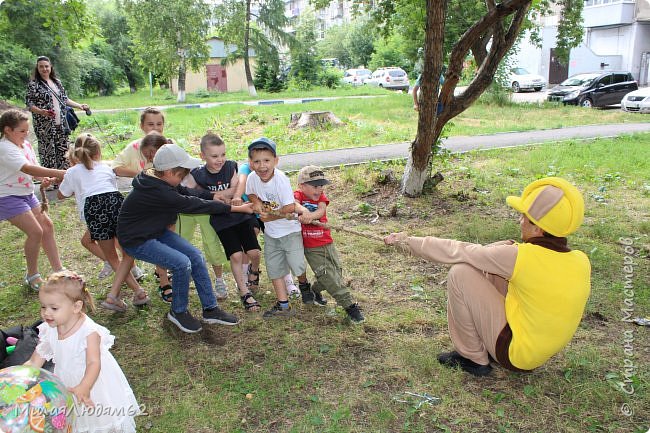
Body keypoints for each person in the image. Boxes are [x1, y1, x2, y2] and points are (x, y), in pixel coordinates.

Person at [384, 177, 591, 376]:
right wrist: (503, 247)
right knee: (496, 255)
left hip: (514, 354)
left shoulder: (520, 257)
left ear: (538, 228)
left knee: (460, 273)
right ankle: (486, 346)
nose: (519, 221)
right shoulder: (580, 260)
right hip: (536, 354)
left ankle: (473, 358)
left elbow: (459, 251)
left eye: (524, 217)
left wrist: (408, 242)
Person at [116, 143, 254, 333]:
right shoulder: (159, 191)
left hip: (155, 230)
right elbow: (191, 204)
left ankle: (210, 309)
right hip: (136, 240)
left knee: (196, 257)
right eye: (181, 175)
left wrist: (212, 195)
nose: (183, 179)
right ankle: (178, 312)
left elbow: (188, 193)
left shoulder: (159, 179)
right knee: (181, 263)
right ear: (170, 172)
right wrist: (234, 208)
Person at [26, 270, 140, 432]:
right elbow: (35, 361)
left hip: (92, 385)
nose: (46, 313)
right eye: (43, 306)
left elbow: (94, 363)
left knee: (99, 421)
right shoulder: (49, 329)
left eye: (54, 308)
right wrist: (18, 376)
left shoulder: (89, 332)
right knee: (76, 421)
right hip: (68, 384)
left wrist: (85, 386)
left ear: (76, 306)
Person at [57, 133, 150, 311]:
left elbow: (62, 195)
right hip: (116, 203)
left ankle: (136, 292)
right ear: (98, 153)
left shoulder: (71, 172)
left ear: (76, 154)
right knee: (128, 249)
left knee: (112, 258)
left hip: (94, 211)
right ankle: (136, 291)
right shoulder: (106, 167)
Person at [181, 133, 261, 311]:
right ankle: (244, 292)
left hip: (241, 215)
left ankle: (254, 270)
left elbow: (235, 190)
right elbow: (186, 191)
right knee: (236, 255)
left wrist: (217, 196)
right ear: (202, 156)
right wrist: (210, 197)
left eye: (223, 154)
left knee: (254, 252)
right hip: (222, 220)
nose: (220, 159)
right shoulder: (197, 174)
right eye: (215, 156)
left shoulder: (231, 166)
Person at [0, 109, 66, 290]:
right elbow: (28, 169)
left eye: (27, 130)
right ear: (7, 130)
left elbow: (34, 169)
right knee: (36, 232)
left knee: (47, 227)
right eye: (21, 131)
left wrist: (43, 180)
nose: (26, 134)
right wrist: (60, 173)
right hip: (7, 196)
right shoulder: (4, 148)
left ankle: (59, 270)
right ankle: (32, 275)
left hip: (26, 193)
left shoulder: (25, 145)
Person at [293, 166, 365, 324]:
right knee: (329, 276)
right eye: (315, 185)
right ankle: (350, 306)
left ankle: (315, 290)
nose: (319, 189)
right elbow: (294, 204)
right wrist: (301, 212)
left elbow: (321, 211)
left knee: (336, 272)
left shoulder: (321, 197)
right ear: (302, 186)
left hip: (326, 242)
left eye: (321, 185)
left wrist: (310, 216)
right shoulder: (297, 195)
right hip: (311, 247)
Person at [245, 137, 306, 318]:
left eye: (266, 160)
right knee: (274, 268)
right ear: (251, 163)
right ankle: (283, 304)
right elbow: (250, 193)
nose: (262, 166)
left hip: (290, 231)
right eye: (256, 161)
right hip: (272, 235)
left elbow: (289, 208)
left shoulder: (281, 180)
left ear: (276, 161)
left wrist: (269, 217)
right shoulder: (252, 177)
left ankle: (304, 285)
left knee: (297, 265)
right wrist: (255, 202)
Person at [112, 130, 171, 298]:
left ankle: (164, 279)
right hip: (145, 210)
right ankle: (163, 279)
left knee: (163, 241)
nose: (150, 158)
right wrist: (142, 174)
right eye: (147, 154)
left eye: (153, 153)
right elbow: (116, 167)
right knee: (149, 245)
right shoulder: (135, 150)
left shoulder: (170, 155)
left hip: (163, 207)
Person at [232, 161, 300, 298]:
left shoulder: (275, 174)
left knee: (280, 243)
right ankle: (246, 274)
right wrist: (238, 196)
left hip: (270, 212)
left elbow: (286, 201)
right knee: (249, 238)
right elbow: (242, 183)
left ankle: (288, 280)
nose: (260, 164)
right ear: (250, 159)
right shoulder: (246, 169)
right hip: (250, 211)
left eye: (265, 160)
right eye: (255, 160)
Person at [25, 56, 90, 169]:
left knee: (63, 151)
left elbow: (64, 99)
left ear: (50, 67)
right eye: (41, 67)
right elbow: (29, 104)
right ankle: (50, 180)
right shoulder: (34, 84)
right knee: (48, 152)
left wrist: (80, 106)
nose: (44, 69)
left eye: (46, 66)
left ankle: (63, 178)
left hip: (61, 123)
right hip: (44, 125)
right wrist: (42, 112)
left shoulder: (57, 82)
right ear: (37, 68)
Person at [112, 108, 166, 177]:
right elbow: (115, 167)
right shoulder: (134, 147)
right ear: (142, 126)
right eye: (150, 124)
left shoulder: (170, 145)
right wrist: (144, 176)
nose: (155, 128)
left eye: (159, 124)